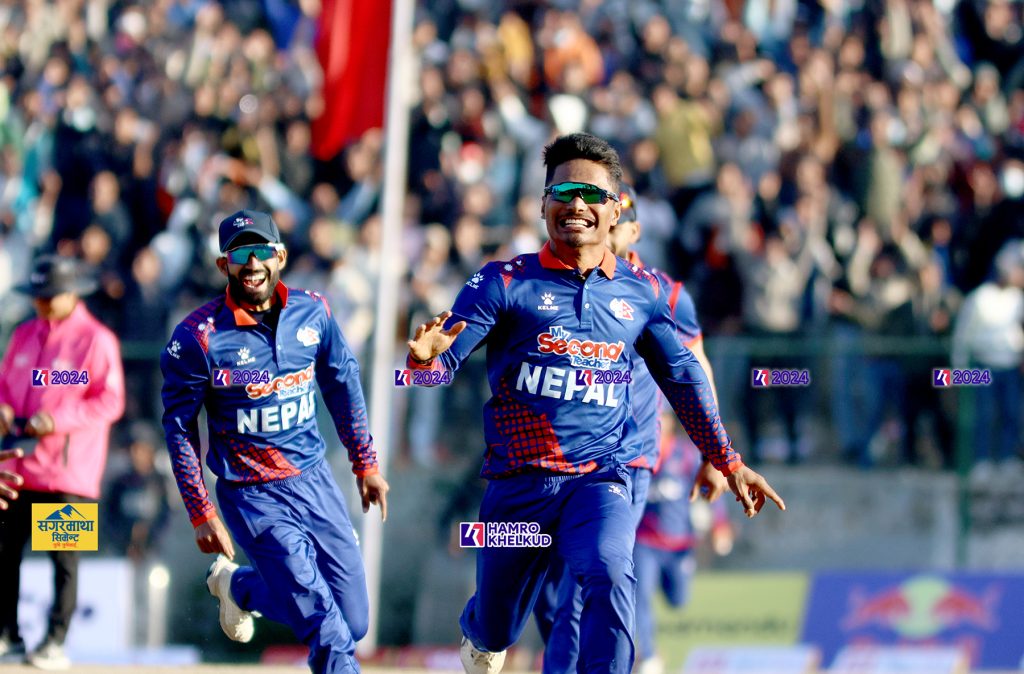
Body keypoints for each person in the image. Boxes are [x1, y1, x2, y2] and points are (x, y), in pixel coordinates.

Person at [406, 133, 784, 674]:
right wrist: (422, 361)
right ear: (543, 204)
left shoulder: (645, 293)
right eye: (562, 192)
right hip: (519, 488)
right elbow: (438, 367)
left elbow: (684, 377)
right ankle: (483, 631)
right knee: (498, 624)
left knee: (608, 572)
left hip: (602, 476)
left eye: (591, 194)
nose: (576, 204)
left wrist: (726, 459)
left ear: (615, 211)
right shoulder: (502, 281)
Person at [160, 209, 389, 674]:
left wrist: (365, 463)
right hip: (252, 495)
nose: (252, 263)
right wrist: (201, 511)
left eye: (261, 250)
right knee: (325, 624)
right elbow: (179, 428)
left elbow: (342, 383)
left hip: (314, 480)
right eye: (240, 253)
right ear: (223, 265)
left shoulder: (314, 311)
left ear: (280, 256)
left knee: (353, 621)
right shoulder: (197, 338)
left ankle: (239, 587)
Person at [532, 183, 728, 674]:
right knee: (546, 591)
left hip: (626, 461)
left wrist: (715, 452)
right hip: (552, 460)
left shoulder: (665, 294)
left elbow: (697, 370)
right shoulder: (553, 282)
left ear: (633, 231)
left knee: (582, 587)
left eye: (614, 222)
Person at [0, 255, 126, 670]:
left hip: (68, 471)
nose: (40, 303)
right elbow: (5, 384)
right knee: (5, 551)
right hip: (17, 466)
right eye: (37, 295)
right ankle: (7, 634)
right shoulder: (24, 334)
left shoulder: (95, 340)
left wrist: (57, 420)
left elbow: (110, 400)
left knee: (63, 558)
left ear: (72, 294)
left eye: (49, 296)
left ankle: (55, 641)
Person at [632, 412, 734, 674]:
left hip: (679, 545)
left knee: (679, 600)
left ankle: (662, 581)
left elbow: (709, 486)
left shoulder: (686, 454)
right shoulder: (636, 451)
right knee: (640, 596)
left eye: (662, 418)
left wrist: (719, 524)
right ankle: (649, 656)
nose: (658, 423)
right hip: (644, 542)